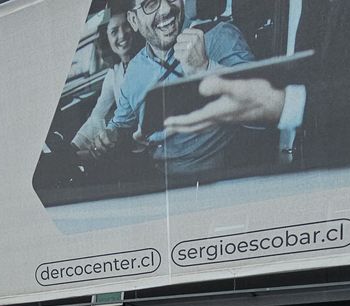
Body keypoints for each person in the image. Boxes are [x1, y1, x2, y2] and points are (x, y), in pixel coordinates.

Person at [162, 0, 350, 170]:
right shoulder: (252, 11)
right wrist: (205, 68)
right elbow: (256, 90)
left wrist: (284, 104)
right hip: (271, 178)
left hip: (335, 175)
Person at [90, 0, 255, 179]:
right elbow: (121, 124)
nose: (167, 8)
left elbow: (264, 108)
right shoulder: (133, 72)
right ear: (134, 20)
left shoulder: (219, 36)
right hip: (158, 182)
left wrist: (205, 67)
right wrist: (110, 134)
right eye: (151, 3)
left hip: (221, 177)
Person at [72, 3, 144, 153]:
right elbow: (97, 115)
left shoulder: (146, 61)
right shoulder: (114, 73)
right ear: (107, 40)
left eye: (126, 26)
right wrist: (75, 146)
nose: (122, 35)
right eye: (114, 31)